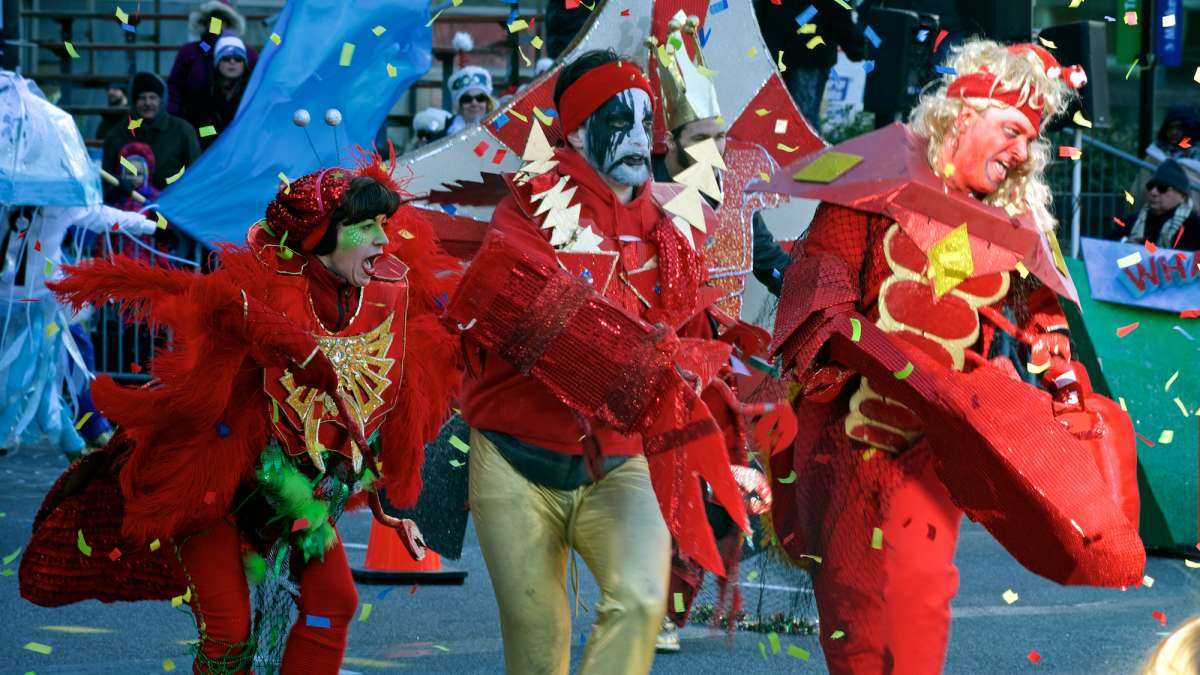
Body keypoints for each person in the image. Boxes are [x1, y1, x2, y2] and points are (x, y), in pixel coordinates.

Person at [764, 39, 1144, 674]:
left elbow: (1039, 317)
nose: (1022, 153)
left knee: (918, 618)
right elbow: (821, 310)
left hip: (933, 452)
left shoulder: (1009, 221)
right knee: (856, 624)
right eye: (1013, 131)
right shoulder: (871, 181)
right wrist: (913, 375)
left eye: (1031, 140)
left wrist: (1061, 372)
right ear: (965, 115)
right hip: (843, 442)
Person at [19, 157, 461, 674]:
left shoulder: (380, 298)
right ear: (319, 237)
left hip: (293, 494)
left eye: (382, 227)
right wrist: (292, 344)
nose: (382, 243)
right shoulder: (266, 282)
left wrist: (373, 490)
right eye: (364, 228)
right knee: (229, 634)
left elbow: (375, 412)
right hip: (211, 487)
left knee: (333, 602)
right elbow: (226, 306)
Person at [444, 49, 769, 674]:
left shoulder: (671, 227)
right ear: (573, 131)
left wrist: (727, 418)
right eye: (615, 118)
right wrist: (632, 359)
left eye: (644, 119)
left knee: (643, 602)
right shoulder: (530, 205)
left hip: (619, 460)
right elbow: (514, 307)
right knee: (539, 647)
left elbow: (693, 333)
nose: (636, 137)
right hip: (517, 456)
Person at [646, 14, 787, 652]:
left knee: (709, 495)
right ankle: (643, 604)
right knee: (650, 495)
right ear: (670, 142)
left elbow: (774, 268)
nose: (715, 148)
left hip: (716, 378)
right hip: (650, 373)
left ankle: (671, 612)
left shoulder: (733, 204)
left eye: (721, 136)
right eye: (700, 136)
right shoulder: (642, 198)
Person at [754, 0, 865, 130]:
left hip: (782, 51)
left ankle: (789, 146)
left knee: (788, 117)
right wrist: (855, 46)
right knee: (801, 118)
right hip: (804, 54)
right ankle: (800, 148)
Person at [102, 72, 201, 198]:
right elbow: (107, 178)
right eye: (142, 98)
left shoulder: (183, 131)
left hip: (170, 205)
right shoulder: (118, 134)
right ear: (134, 101)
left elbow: (196, 173)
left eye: (153, 97)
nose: (148, 103)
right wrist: (119, 186)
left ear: (162, 100)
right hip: (129, 208)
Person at [167, 0, 259, 133]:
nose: (232, 62)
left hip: (238, 127)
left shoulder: (246, 52)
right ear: (204, 22)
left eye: (222, 19)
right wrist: (177, 124)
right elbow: (174, 89)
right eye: (213, 19)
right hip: (198, 125)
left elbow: (258, 85)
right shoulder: (190, 52)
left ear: (229, 23)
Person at [179, 35, 252, 149]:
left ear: (244, 64)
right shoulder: (201, 95)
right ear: (217, 62)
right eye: (226, 58)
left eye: (238, 58)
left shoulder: (253, 95)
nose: (232, 62)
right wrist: (217, 131)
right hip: (210, 154)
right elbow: (196, 129)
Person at [1118, 159, 1200, 251]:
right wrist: (1124, 245)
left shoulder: (1195, 227)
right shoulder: (1132, 221)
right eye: (1150, 187)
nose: (1153, 192)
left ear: (1181, 194)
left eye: (1162, 188)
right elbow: (1107, 250)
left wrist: (1149, 249)